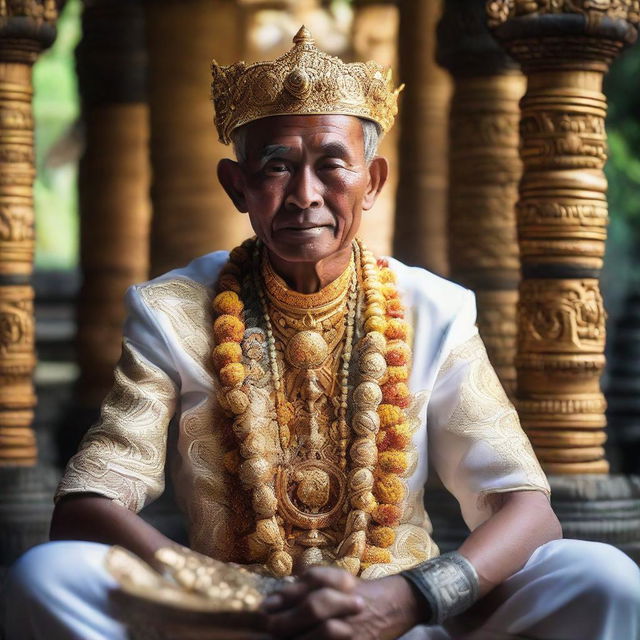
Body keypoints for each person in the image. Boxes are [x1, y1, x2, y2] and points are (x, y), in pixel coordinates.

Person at [3, 26, 640, 640]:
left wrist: (409, 597)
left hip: (398, 614)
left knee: (602, 577)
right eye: (276, 166)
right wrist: (244, 598)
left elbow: (526, 511)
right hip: (230, 616)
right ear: (238, 186)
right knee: (48, 576)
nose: (304, 194)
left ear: (374, 183)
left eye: (332, 165)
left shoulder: (434, 310)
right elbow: (86, 506)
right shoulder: (171, 309)